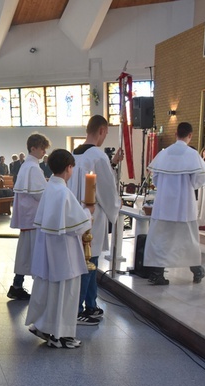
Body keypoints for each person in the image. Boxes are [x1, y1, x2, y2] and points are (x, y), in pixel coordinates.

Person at [25, 149, 91, 348]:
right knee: (66, 291)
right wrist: (89, 212)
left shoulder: (50, 188)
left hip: (50, 250)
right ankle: (61, 335)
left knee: (51, 289)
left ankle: (45, 325)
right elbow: (80, 226)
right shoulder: (62, 191)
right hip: (64, 253)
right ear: (69, 168)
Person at [69, 115, 123, 325]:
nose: (105, 137)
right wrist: (115, 208)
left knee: (90, 261)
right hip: (92, 215)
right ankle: (79, 308)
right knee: (90, 262)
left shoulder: (74, 154)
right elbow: (107, 191)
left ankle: (91, 305)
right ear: (101, 130)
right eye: (106, 133)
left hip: (75, 214)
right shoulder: (97, 157)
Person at [143, 122, 205, 285]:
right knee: (188, 238)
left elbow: (156, 179)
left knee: (161, 239)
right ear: (190, 135)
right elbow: (199, 179)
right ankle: (196, 271)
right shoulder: (192, 155)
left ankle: (157, 273)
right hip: (184, 206)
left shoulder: (164, 154)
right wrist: (187, 187)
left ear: (176, 134)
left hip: (164, 205)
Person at [8, 134, 49, 300]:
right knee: (34, 253)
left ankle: (17, 284)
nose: (44, 151)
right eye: (42, 148)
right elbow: (39, 194)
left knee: (25, 253)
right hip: (33, 217)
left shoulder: (29, 166)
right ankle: (37, 288)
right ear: (33, 148)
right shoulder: (32, 167)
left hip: (28, 217)